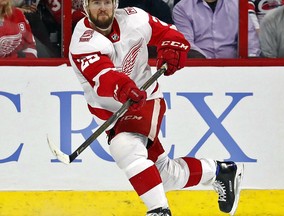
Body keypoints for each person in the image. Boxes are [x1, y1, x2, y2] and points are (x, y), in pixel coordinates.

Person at [69, 0, 244, 215]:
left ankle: (159, 210)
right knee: (164, 176)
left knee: (125, 147)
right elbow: (103, 77)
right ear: (85, 6)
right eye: (96, 3)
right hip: (110, 112)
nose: (102, 8)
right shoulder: (81, 42)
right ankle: (219, 172)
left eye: (107, 2)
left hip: (146, 100)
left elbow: (169, 32)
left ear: (115, 3)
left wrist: (172, 47)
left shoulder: (134, 18)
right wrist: (124, 87)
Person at [172, 0, 261, 58]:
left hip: (235, 68)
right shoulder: (182, 8)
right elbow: (187, 43)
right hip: (199, 68)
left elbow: (250, 42)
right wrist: (209, 66)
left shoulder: (238, 5)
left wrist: (248, 65)